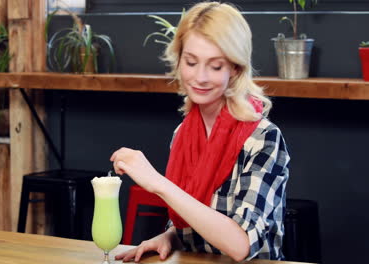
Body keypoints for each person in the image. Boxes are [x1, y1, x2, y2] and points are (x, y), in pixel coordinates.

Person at [110, 1, 290, 262]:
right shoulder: (184, 133)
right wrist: (171, 236)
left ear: (235, 68)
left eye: (215, 66)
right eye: (191, 62)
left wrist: (158, 183)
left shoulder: (262, 139)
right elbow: (198, 216)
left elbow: (241, 244)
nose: (200, 77)